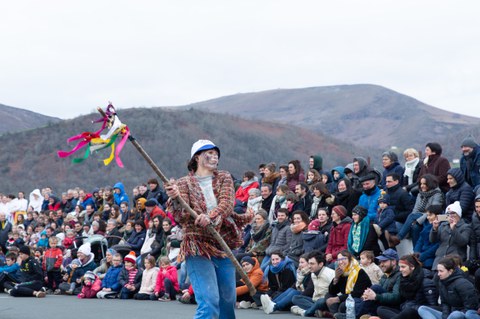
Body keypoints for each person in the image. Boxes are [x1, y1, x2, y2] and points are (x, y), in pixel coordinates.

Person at [165, 139, 251, 319]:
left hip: (223, 244)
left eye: (215, 154)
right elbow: (180, 217)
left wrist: (210, 216)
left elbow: (227, 204)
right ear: (197, 158)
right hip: (197, 246)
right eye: (208, 153)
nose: (214, 157)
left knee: (227, 300)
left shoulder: (224, 177)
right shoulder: (183, 184)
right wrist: (175, 199)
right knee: (210, 301)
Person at [397, 174, 444, 246]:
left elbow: (433, 211)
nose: (422, 186)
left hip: (430, 218)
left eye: (424, 184)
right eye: (421, 184)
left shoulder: (437, 194)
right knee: (415, 227)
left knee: (413, 217)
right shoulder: (420, 194)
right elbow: (415, 209)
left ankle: (398, 238)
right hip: (418, 217)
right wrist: (415, 221)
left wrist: (418, 220)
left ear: (430, 184)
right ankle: (416, 252)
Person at [376, 254, 427, 319]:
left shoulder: (425, 281)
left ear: (412, 267)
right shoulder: (403, 279)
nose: (400, 270)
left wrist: (377, 297)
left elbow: (430, 308)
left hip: (416, 313)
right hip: (403, 309)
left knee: (408, 311)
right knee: (380, 309)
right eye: (400, 267)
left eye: (403, 267)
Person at [287, 251, 335, 317]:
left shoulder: (330, 274)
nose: (309, 266)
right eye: (309, 263)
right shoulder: (313, 274)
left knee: (320, 301)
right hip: (314, 300)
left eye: (312, 264)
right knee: (295, 298)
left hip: (325, 301)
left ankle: (306, 312)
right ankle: (317, 311)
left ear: (321, 264)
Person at [430, 201, 472, 270]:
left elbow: (463, 242)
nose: (450, 215)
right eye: (448, 213)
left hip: (454, 262)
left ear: (458, 214)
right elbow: (432, 240)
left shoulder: (465, 226)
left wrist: (453, 229)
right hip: (439, 261)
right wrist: (435, 229)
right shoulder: (443, 225)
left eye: (453, 213)